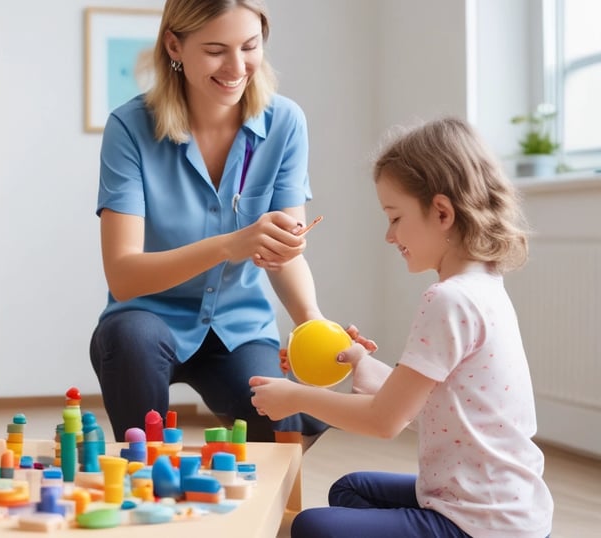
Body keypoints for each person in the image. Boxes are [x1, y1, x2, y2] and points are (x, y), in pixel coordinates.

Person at [250, 117, 554, 538]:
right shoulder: (483, 286)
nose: (389, 236)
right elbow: (426, 400)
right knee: (350, 491)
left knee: (312, 527)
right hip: (503, 507)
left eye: (394, 217)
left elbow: (384, 421)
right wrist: (360, 362)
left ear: (442, 212)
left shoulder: (448, 299)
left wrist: (296, 398)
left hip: (479, 524)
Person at [90, 0, 333, 443]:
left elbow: (284, 252)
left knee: (286, 418)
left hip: (240, 328)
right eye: (217, 50)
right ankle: (145, 479)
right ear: (174, 45)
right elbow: (123, 276)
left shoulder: (285, 124)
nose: (237, 66)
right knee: (132, 339)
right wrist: (229, 245)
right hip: (145, 322)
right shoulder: (129, 128)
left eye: (250, 46)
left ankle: (264, 491)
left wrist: (311, 324)